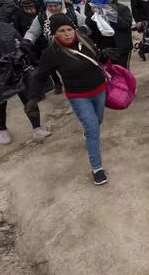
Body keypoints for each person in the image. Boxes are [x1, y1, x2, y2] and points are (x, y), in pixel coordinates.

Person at [26, 14, 111, 185]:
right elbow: (39, 76)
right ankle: (97, 167)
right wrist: (33, 98)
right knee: (93, 128)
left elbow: (95, 59)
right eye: (61, 31)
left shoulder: (85, 40)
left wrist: (103, 55)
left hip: (100, 90)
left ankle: (89, 133)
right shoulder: (51, 53)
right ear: (55, 34)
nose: (67, 34)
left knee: (98, 120)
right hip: (79, 96)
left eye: (69, 29)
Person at [0, 3, 51, 145]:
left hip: (17, 69)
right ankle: (2, 129)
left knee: (29, 100)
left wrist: (25, 46)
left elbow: (19, 39)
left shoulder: (6, 27)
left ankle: (37, 128)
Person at [23, 0, 90, 94]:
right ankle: (57, 83)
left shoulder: (71, 14)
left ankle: (77, 88)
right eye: (50, 6)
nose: (53, 8)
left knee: (74, 69)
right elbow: (32, 32)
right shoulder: (42, 17)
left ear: (61, 4)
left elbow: (87, 23)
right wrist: (27, 41)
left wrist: (83, 30)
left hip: (73, 48)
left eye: (56, 5)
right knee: (52, 68)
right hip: (52, 48)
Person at [85, 0, 133, 69]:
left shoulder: (123, 9)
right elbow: (90, 25)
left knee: (123, 70)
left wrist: (111, 13)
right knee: (107, 71)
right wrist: (93, 13)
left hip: (121, 46)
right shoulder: (96, 8)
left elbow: (126, 26)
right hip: (104, 46)